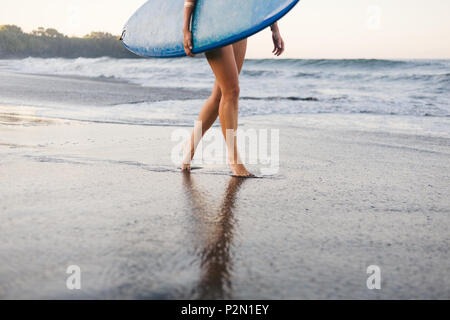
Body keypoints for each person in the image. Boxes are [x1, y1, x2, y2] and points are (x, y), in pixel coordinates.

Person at [181, 0, 285, 177]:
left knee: (219, 94)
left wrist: (274, 28)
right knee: (232, 91)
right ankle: (235, 161)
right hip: (212, 23)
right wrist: (186, 28)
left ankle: (187, 153)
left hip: (238, 24)